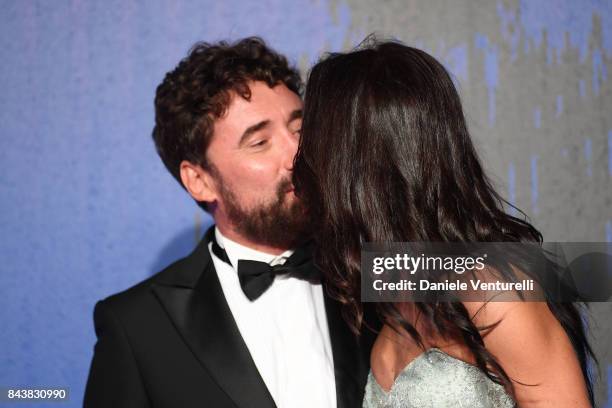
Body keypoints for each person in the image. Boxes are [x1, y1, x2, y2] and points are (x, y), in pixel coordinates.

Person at [292, 39, 595, 407]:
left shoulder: (491, 287)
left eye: (307, 136)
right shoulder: (381, 295)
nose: (299, 156)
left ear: (349, 165)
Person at [84, 37, 371, 408]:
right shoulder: (138, 326)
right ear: (199, 181)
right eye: (260, 142)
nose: (297, 154)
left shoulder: (374, 267)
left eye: (299, 129)